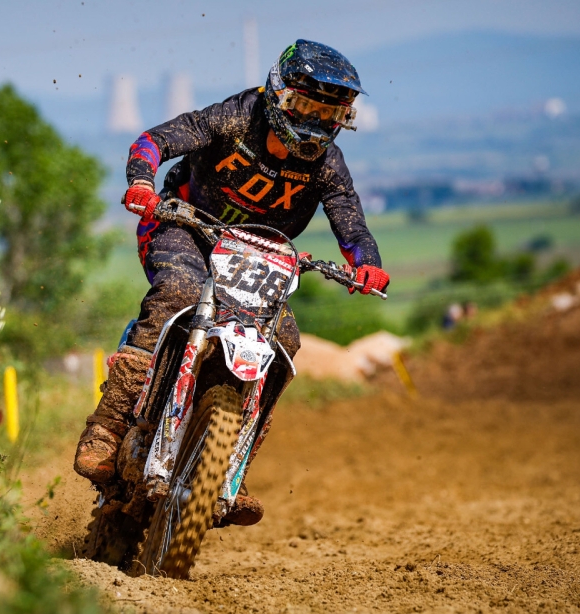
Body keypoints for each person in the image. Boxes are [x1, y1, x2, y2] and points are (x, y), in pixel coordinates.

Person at [73, 39, 390, 526]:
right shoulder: (237, 117)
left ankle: (229, 471)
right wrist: (141, 182)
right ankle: (108, 427)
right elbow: (154, 140)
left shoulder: (329, 165)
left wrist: (367, 263)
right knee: (177, 293)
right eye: (306, 106)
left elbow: (351, 223)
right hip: (182, 224)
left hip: (256, 254)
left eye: (328, 113)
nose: (314, 122)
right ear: (280, 94)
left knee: (285, 339)